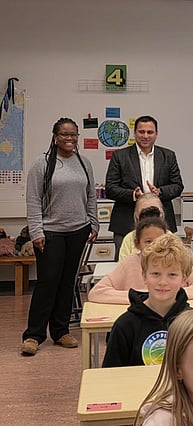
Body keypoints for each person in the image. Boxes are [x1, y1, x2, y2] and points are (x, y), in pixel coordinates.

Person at [21, 117, 99, 356]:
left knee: (67, 282)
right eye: (65, 134)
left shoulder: (84, 163)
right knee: (48, 282)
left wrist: (94, 223)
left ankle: (61, 331)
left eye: (73, 134)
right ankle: (34, 335)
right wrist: (36, 231)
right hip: (50, 232)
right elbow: (33, 199)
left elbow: (91, 196)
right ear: (55, 137)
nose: (70, 138)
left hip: (78, 231)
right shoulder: (42, 163)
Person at [102, 233, 193, 367]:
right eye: (156, 274)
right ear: (144, 276)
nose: (163, 282)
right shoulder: (125, 326)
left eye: (172, 275)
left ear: (184, 279)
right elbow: (111, 373)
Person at [106, 115, 184, 256]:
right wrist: (133, 195)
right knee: (126, 264)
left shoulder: (168, 156)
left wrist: (160, 192)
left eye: (150, 132)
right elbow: (110, 188)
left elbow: (177, 186)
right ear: (135, 133)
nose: (145, 136)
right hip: (126, 222)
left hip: (161, 222)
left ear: (156, 134)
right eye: (141, 132)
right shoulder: (120, 156)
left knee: (163, 261)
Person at [89, 217, 193, 304]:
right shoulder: (130, 262)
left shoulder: (176, 259)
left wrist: (171, 295)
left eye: (160, 239)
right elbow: (97, 292)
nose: (155, 245)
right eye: (148, 241)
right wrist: (141, 297)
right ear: (137, 244)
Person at [118, 193, 165, 260]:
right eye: (144, 213)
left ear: (162, 214)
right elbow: (123, 263)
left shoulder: (171, 238)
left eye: (155, 212)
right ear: (136, 215)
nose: (150, 218)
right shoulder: (129, 239)